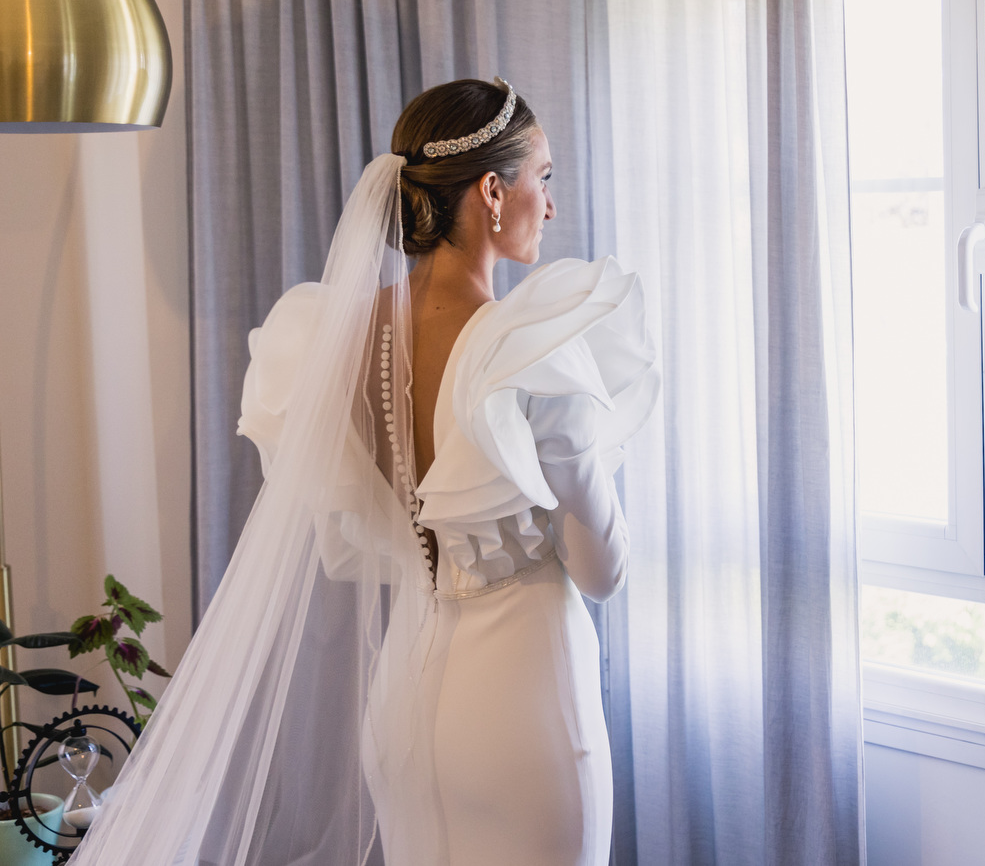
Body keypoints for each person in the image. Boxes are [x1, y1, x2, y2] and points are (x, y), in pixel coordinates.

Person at [67, 78, 659, 866]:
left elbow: (369, 530)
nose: (550, 205)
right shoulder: (534, 352)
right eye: (542, 178)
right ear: (491, 190)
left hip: (408, 710)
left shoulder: (337, 340)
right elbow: (601, 571)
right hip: (526, 714)